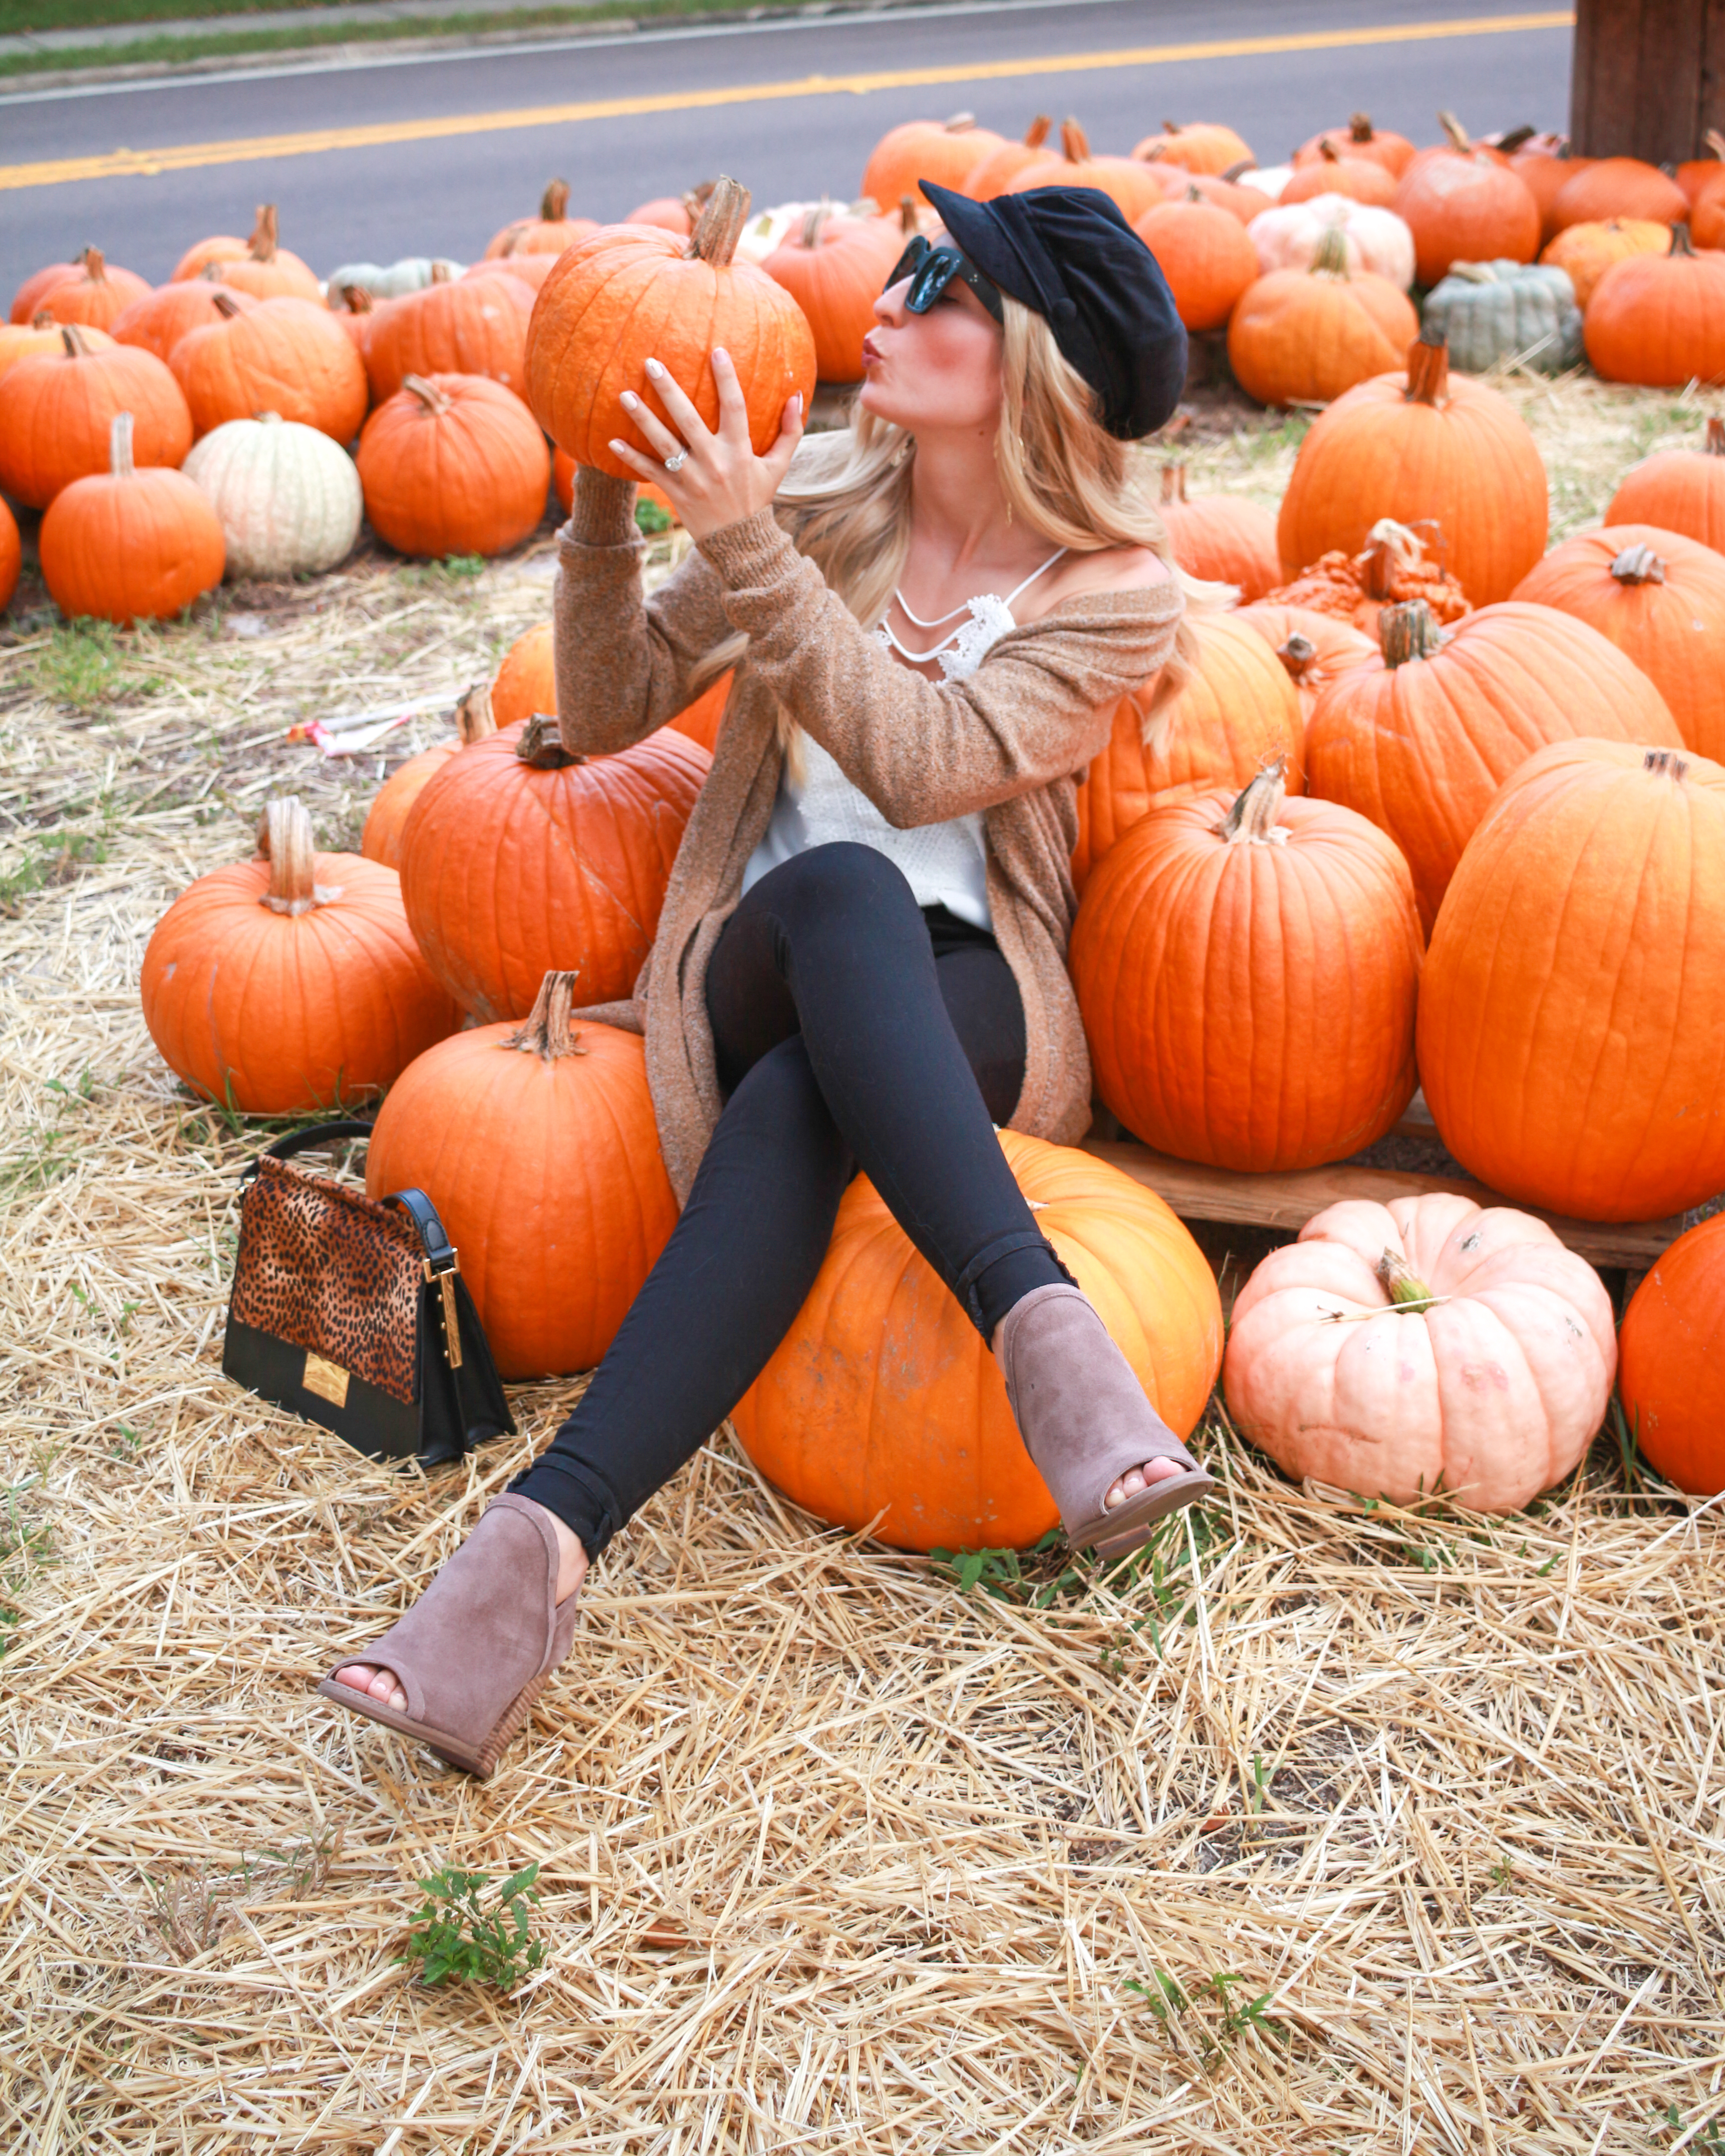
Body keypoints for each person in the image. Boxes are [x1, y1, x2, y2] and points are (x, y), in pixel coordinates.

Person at [322, 181, 1215, 1779]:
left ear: (1032, 364)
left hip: (969, 1000)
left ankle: (532, 1553)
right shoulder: (812, 497)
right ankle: (1046, 1334)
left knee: (822, 1067)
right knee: (833, 892)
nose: (888, 290)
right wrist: (607, 496)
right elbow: (602, 707)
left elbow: (927, 756)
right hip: (764, 951)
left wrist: (743, 535)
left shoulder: (1116, 594)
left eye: (939, 277)